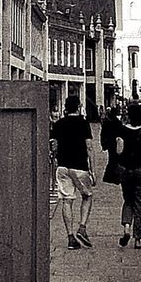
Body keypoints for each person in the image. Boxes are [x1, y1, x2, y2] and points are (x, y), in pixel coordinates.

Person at [103, 101, 141, 248]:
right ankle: (139, 239)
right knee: (140, 204)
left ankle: (126, 228)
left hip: (126, 171)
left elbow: (119, 151)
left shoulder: (122, 131)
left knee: (128, 200)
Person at [51, 95, 96, 250]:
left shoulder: (58, 124)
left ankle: (70, 237)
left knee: (66, 200)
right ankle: (82, 227)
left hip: (63, 167)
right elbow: (89, 147)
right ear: (78, 107)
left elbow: (54, 146)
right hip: (80, 167)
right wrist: (93, 170)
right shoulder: (84, 124)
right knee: (87, 196)